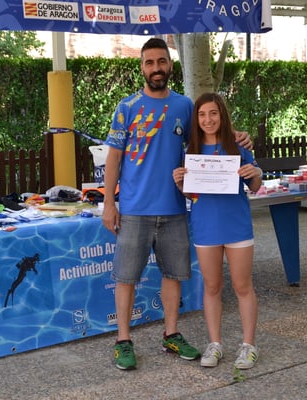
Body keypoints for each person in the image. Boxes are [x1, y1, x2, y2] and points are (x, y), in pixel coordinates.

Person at [102, 38, 251, 370]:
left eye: (161, 61)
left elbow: (208, 136)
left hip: (174, 208)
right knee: (126, 277)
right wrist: (109, 203)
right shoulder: (126, 107)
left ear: (170, 65)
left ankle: (171, 334)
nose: (156, 68)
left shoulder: (184, 106)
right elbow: (114, 158)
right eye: (149, 62)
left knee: (173, 275)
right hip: (134, 208)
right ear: (142, 68)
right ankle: (123, 340)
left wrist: (238, 135)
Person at [172, 92, 262, 370]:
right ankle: (215, 343)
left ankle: (249, 346)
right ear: (196, 119)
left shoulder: (237, 145)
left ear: (222, 115)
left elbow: (255, 185)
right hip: (206, 227)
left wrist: (255, 173)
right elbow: (191, 193)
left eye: (213, 113)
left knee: (243, 286)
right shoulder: (191, 151)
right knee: (211, 287)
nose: (208, 119)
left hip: (237, 226)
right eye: (202, 114)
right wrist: (180, 183)